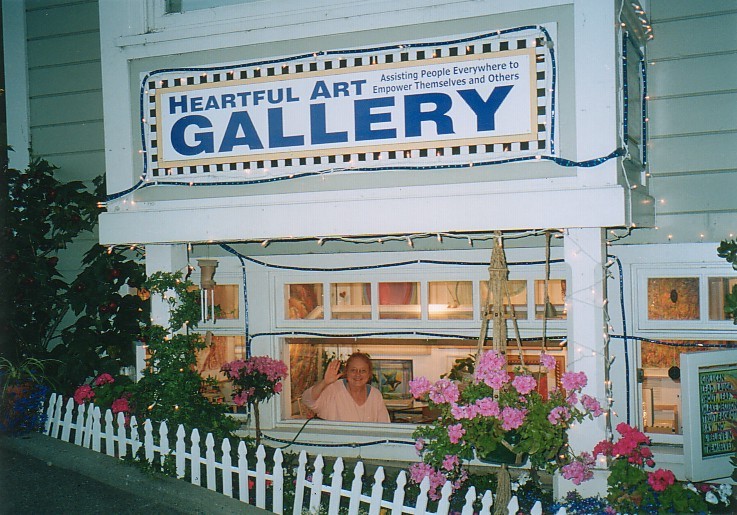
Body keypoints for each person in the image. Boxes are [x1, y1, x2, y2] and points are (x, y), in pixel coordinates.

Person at [301, 352, 390, 423]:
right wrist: (325, 382)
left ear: (369, 374)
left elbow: (385, 426)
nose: (358, 374)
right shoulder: (333, 389)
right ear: (346, 372)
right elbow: (307, 400)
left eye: (363, 371)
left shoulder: (375, 395)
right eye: (353, 370)